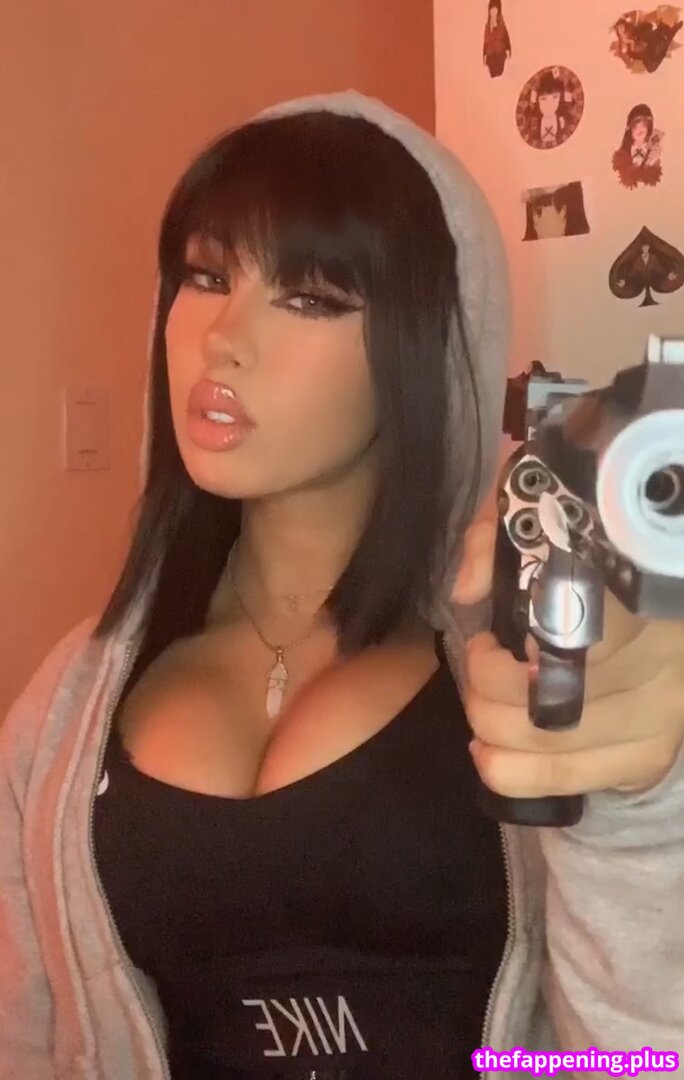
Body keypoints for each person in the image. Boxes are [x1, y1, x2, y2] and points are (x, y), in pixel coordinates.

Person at [1, 90, 683, 1080]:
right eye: (205, 275)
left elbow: (645, 1044)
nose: (222, 335)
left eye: (310, 297)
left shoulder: (520, 656)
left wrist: (643, 810)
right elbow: (26, 1032)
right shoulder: (65, 707)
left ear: (422, 345)